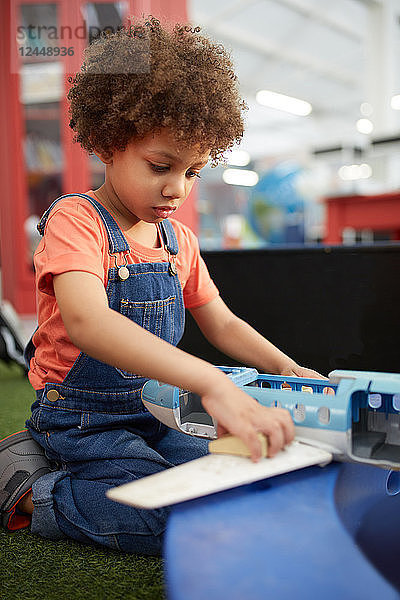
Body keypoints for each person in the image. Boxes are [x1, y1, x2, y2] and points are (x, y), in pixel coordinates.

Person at [0, 17, 323, 554]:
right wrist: (214, 385)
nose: (177, 188)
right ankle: (31, 486)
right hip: (80, 417)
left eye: (194, 171)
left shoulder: (179, 241)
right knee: (166, 521)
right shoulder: (76, 219)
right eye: (160, 166)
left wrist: (287, 368)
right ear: (107, 143)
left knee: (229, 482)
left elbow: (220, 320)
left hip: (155, 409)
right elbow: (88, 321)